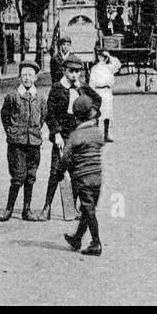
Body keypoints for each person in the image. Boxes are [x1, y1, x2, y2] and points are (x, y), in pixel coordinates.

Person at [39, 58, 99, 220]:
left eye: (77, 72)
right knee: (55, 172)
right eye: (71, 71)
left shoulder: (83, 88)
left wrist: (89, 120)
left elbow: (97, 101)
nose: (74, 75)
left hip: (77, 135)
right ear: (64, 70)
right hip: (62, 136)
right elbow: (49, 114)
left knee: (76, 172)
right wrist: (56, 133)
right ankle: (47, 207)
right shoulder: (57, 88)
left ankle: (71, 207)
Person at [0, 59, 46, 222]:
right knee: (18, 177)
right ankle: (9, 209)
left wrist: (35, 131)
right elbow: (5, 116)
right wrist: (12, 132)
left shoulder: (40, 97)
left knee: (30, 176)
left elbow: (43, 117)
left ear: (35, 78)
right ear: (20, 77)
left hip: (34, 142)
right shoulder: (12, 96)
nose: (27, 78)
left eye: (30, 75)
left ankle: (27, 209)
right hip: (16, 143)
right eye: (24, 75)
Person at [62, 95, 105, 255]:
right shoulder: (97, 133)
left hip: (82, 177)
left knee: (88, 209)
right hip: (97, 177)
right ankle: (77, 238)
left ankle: (96, 242)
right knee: (87, 208)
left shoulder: (75, 136)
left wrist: (60, 171)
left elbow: (65, 157)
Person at [89, 47, 122, 143]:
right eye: (101, 56)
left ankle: (106, 134)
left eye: (104, 56)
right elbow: (92, 82)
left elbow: (118, 64)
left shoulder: (110, 67)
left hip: (107, 91)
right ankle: (96, 136)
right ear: (98, 56)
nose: (102, 58)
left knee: (107, 113)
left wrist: (109, 57)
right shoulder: (94, 68)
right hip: (98, 91)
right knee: (97, 113)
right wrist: (92, 93)